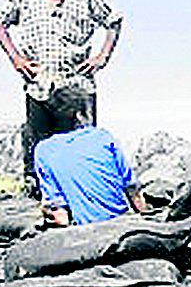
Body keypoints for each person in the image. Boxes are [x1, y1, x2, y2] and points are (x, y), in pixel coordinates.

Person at [0, 0, 125, 195]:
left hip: (76, 87)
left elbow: (115, 20)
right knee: (39, 151)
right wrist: (16, 58)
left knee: (83, 151)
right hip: (39, 86)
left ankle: (82, 204)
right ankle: (42, 205)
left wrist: (102, 57)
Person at [33, 85, 148, 226]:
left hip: (88, 231)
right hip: (122, 222)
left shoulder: (44, 150)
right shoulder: (102, 137)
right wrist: (146, 219)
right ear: (79, 114)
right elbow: (132, 189)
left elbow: (59, 212)